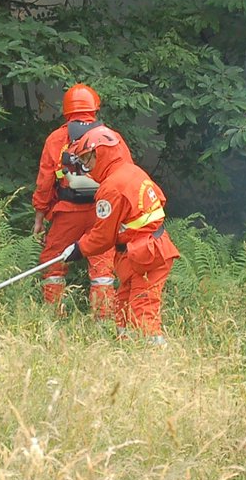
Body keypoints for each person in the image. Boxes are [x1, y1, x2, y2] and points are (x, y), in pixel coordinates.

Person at [57, 125, 181, 340]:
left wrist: (79, 249)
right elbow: (159, 199)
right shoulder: (131, 171)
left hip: (146, 256)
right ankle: (127, 354)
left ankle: (156, 360)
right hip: (142, 253)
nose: (86, 166)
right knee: (123, 309)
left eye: (88, 159)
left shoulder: (111, 188)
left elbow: (102, 237)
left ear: (101, 153)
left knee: (141, 312)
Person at [31, 84, 117, 317]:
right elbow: (125, 175)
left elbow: (45, 181)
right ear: (95, 108)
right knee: (102, 268)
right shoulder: (110, 137)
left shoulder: (57, 139)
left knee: (53, 260)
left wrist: (40, 216)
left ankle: (54, 317)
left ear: (66, 111)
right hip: (102, 211)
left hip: (68, 211)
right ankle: (103, 321)